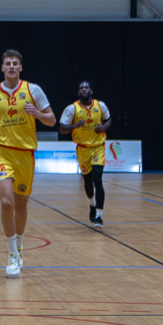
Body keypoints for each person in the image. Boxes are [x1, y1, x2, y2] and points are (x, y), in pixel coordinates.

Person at [0, 50, 55, 277]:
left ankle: (20, 246)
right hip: (1, 152)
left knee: (21, 206)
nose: (11, 66)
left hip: (25, 155)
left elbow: (52, 120)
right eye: (7, 63)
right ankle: (12, 254)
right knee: (6, 201)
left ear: (21, 67)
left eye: (15, 63)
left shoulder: (33, 90)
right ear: (2, 67)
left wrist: (38, 114)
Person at [59, 81, 112, 229]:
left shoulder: (100, 106)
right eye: (81, 88)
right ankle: (92, 204)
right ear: (78, 93)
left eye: (86, 87)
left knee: (98, 179)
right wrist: (75, 126)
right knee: (88, 182)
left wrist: (103, 128)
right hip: (82, 149)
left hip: (98, 147)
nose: (84, 89)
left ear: (91, 90)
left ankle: (99, 217)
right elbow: (62, 129)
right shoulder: (72, 109)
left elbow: (108, 121)